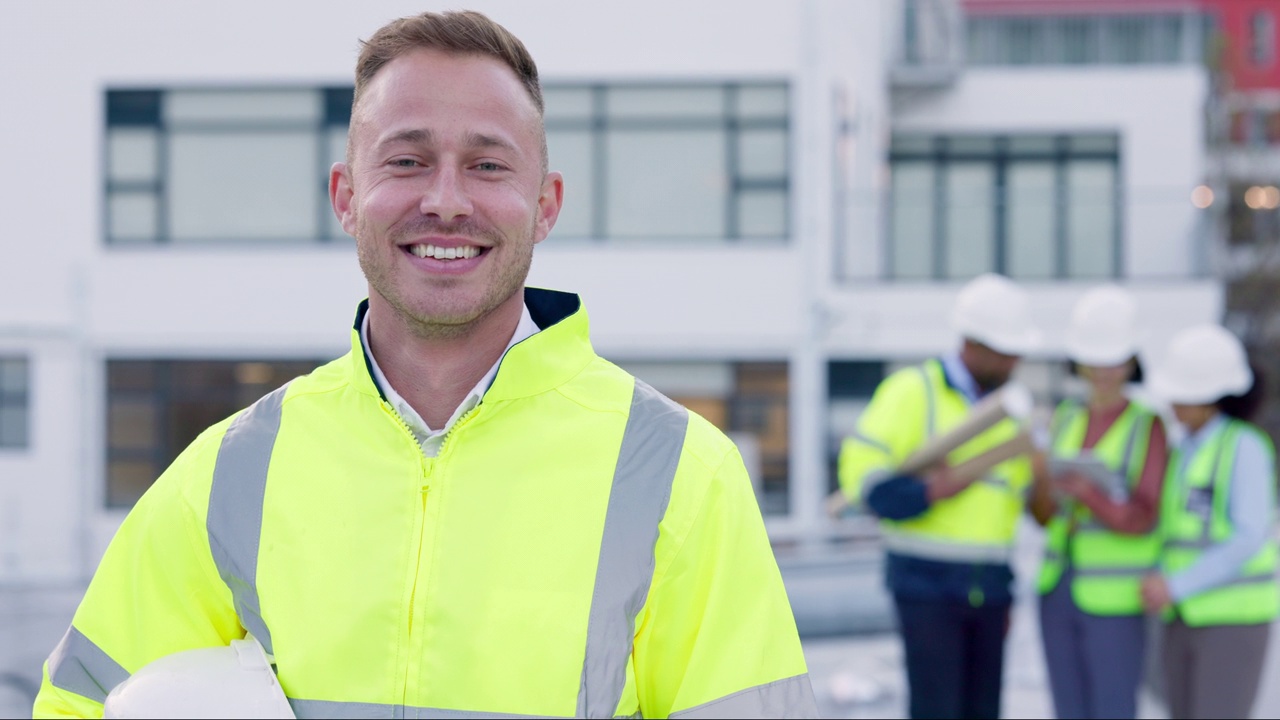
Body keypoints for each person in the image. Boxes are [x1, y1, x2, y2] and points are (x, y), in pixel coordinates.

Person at [33, 11, 817, 719]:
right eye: (406, 161)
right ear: (346, 196)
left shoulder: (679, 473)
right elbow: (79, 704)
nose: (446, 201)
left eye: (487, 166)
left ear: (546, 203)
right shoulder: (233, 471)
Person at [836, 272, 1040, 720]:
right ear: (975, 344)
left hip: (989, 589)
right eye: (1007, 354)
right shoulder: (912, 392)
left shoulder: (1009, 414)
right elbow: (869, 489)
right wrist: (933, 490)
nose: (1014, 364)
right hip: (926, 586)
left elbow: (1022, 506)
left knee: (982, 711)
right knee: (936, 710)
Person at [1027, 285, 1169, 719]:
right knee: (1068, 709)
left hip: (1115, 599)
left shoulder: (1149, 426)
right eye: (1095, 358)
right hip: (1057, 587)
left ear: (1131, 361)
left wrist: (1088, 494)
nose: (1104, 369)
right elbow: (1040, 515)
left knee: (1111, 708)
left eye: (1114, 359)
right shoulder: (1066, 417)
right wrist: (1042, 481)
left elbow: (1146, 515)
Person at [1140, 324, 1278, 720]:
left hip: (1231, 622)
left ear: (1211, 396)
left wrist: (1176, 585)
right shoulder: (1184, 449)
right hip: (1182, 616)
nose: (1171, 402)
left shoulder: (1246, 448)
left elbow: (1250, 536)